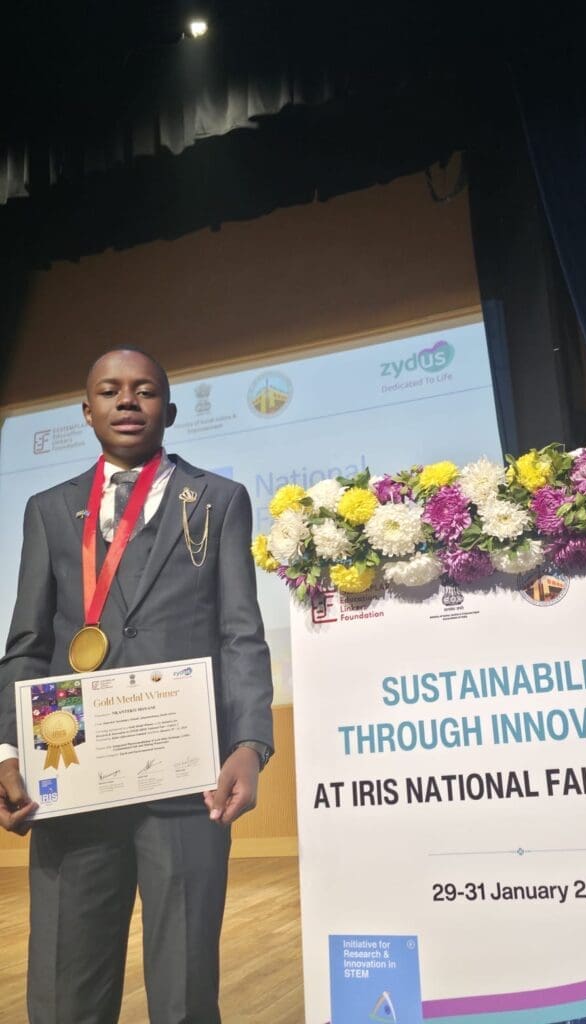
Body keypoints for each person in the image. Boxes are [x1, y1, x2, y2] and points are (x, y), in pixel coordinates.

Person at [0, 348, 274, 1024]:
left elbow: (241, 634)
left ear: (169, 411)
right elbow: (27, 646)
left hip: (187, 783)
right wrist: (6, 752)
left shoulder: (218, 499)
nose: (127, 400)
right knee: (65, 994)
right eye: (110, 390)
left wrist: (249, 744)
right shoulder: (48, 509)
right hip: (71, 778)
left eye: (144, 390)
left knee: (184, 994)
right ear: (86, 411)